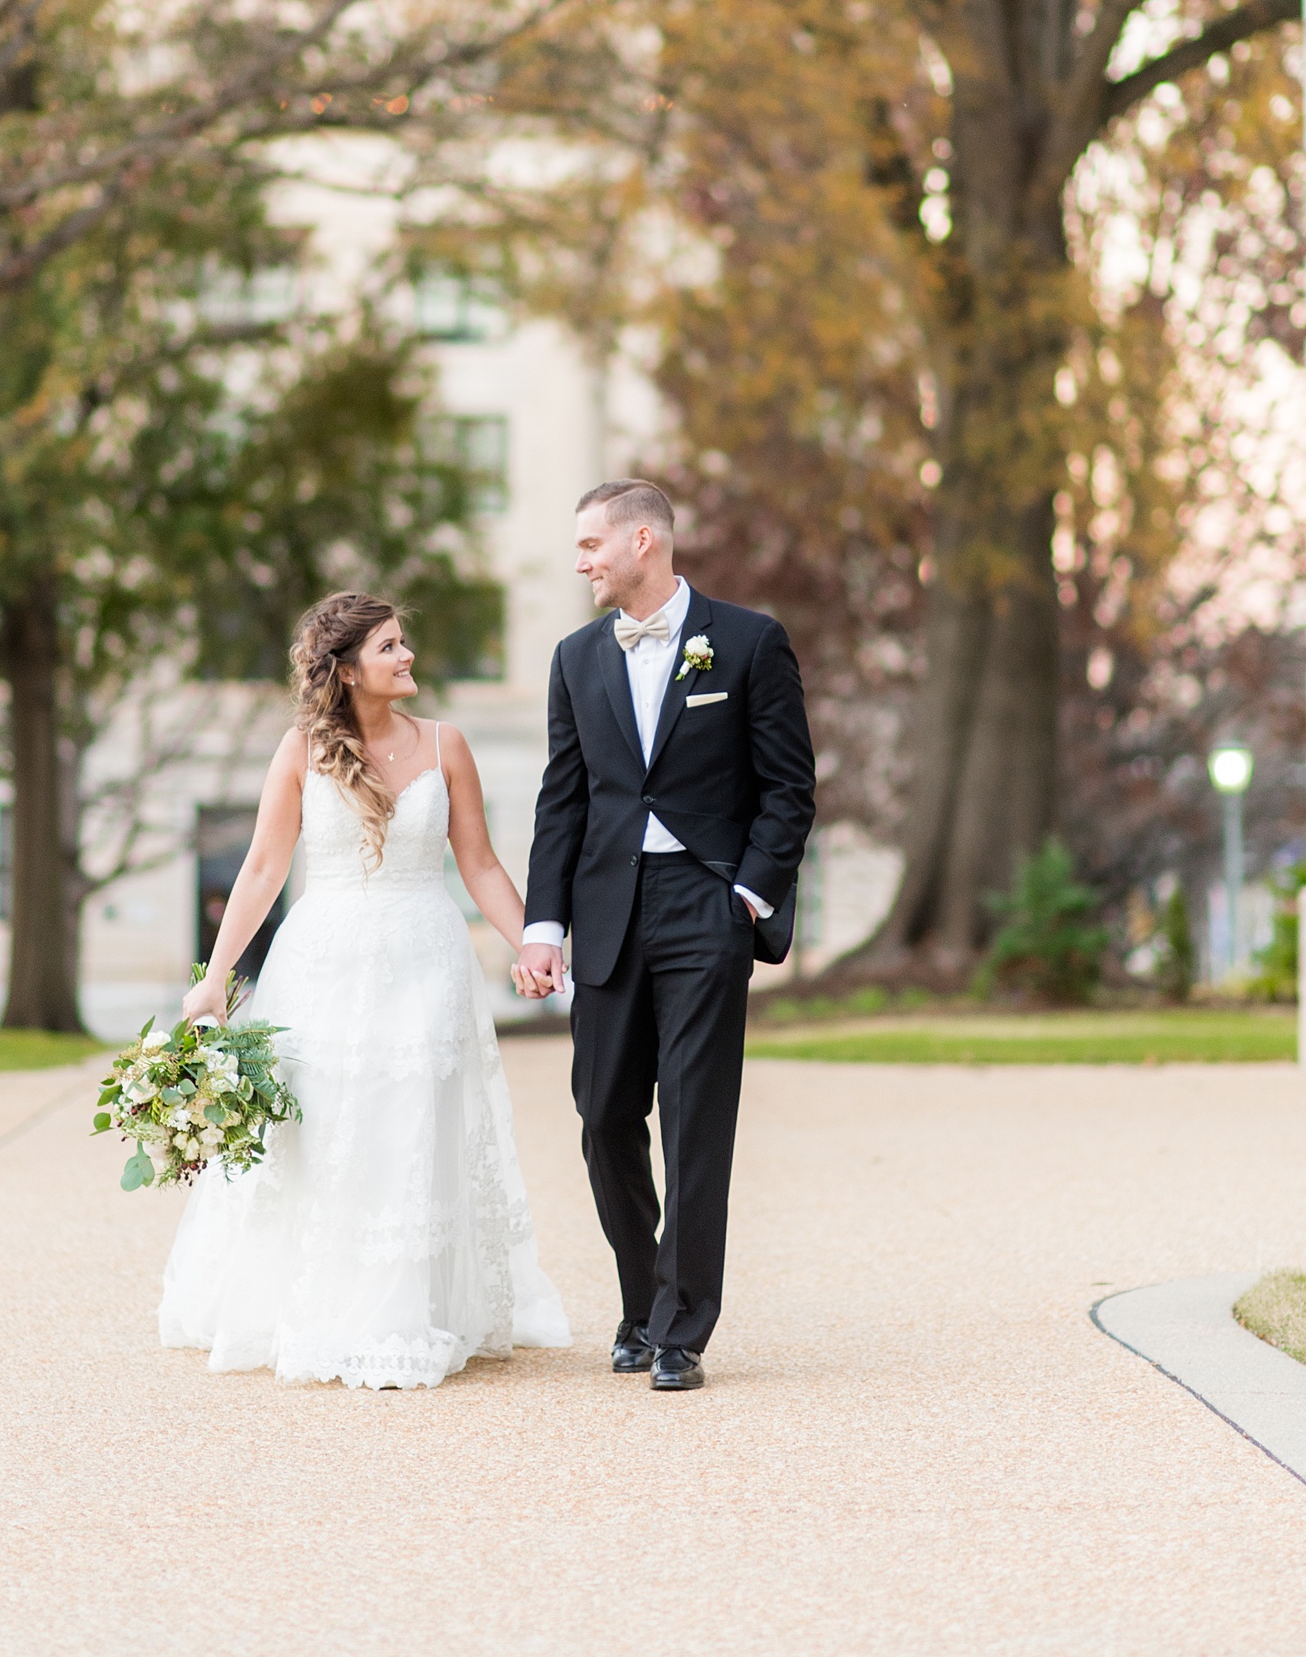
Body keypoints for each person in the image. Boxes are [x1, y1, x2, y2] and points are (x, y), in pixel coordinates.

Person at [159, 591, 570, 1389]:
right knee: (329, 1126)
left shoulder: (448, 745)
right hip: (325, 964)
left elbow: (480, 863)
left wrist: (533, 944)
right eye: (389, 645)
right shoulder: (302, 749)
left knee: (413, 1124)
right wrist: (215, 979)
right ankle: (323, 1299)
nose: (407, 654)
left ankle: (406, 1305)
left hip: (426, 960)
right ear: (346, 670)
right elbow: (263, 867)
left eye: (402, 641)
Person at [514, 480, 815, 1391]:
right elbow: (562, 799)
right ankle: (641, 1297)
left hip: (706, 905)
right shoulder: (575, 659)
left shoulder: (750, 641)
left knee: (693, 1119)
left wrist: (749, 898)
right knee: (605, 1115)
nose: (581, 561)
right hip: (609, 909)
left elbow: (788, 789)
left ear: (644, 539)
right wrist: (542, 921)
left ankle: (679, 1328)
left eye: (591, 543)